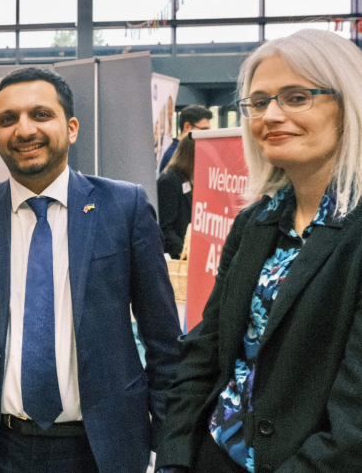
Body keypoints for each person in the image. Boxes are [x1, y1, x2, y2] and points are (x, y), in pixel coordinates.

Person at [0, 67, 182, 473]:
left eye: (40, 114)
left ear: (71, 127)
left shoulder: (124, 208)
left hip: (102, 450)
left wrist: (167, 447)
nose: (23, 129)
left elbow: (165, 345)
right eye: (8, 119)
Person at [155, 29, 362, 473]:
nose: (271, 115)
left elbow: (353, 426)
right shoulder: (256, 222)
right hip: (213, 453)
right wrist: (174, 458)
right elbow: (206, 349)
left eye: (296, 97)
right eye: (259, 101)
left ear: (347, 106)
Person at [158, 136, 195, 259]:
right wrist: (184, 254)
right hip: (177, 258)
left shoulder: (184, 177)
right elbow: (166, 228)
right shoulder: (169, 181)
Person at [158, 104, 212, 173]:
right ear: (187, 127)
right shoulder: (174, 155)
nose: (207, 134)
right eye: (204, 129)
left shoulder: (189, 150)